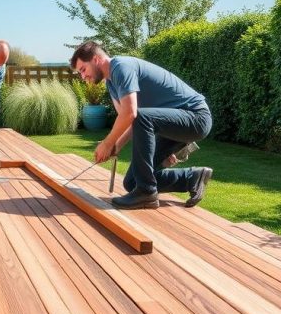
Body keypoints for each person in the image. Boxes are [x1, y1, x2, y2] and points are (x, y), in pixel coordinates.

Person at [69, 41, 213, 209]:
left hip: (196, 116)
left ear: (96, 59)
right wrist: (115, 146)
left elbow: (131, 113)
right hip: (169, 124)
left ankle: (147, 192)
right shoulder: (111, 83)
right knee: (132, 182)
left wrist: (107, 143)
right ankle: (191, 178)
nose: (82, 76)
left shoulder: (121, 67)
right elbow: (128, 119)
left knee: (142, 117)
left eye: (83, 69)